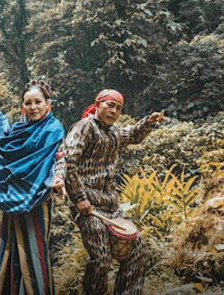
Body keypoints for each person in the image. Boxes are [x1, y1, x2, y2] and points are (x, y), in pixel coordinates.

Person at [63, 89, 164, 295]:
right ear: (98, 104)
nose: (114, 111)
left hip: (111, 205)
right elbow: (68, 162)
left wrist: (149, 122)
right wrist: (79, 198)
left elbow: (134, 135)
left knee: (138, 249)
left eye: (118, 108)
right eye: (110, 105)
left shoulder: (115, 132)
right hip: (87, 205)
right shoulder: (84, 128)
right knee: (101, 257)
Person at [0, 80, 67, 295]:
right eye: (28, 103)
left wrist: (59, 178)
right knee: (11, 250)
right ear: (23, 106)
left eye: (38, 102)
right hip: (13, 199)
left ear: (48, 104)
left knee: (35, 252)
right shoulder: (17, 131)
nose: (33, 107)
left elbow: (60, 158)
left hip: (37, 199)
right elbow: (4, 157)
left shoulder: (53, 129)